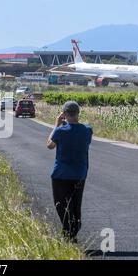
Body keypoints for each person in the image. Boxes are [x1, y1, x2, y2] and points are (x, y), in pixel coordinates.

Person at [46, 101, 93, 243]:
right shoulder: (87, 130)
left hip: (61, 175)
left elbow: (50, 145)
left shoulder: (60, 131)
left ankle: (69, 233)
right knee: (75, 204)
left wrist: (56, 125)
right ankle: (73, 230)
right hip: (80, 174)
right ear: (78, 113)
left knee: (62, 205)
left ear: (64, 114)